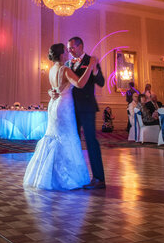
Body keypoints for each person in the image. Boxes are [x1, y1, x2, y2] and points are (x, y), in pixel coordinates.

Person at [23, 43, 96, 190]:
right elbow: (80, 83)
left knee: (54, 135)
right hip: (64, 107)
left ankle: (49, 176)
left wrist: (51, 92)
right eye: (65, 51)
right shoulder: (65, 69)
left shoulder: (51, 70)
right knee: (66, 137)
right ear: (62, 54)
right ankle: (65, 178)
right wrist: (91, 66)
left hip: (54, 104)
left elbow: (53, 88)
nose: (68, 53)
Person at [67, 36, 106, 189]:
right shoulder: (68, 63)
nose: (70, 50)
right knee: (73, 142)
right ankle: (76, 176)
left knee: (91, 142)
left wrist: (95, 69)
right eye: (68, 48)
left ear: (80, 46)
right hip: (70, 108)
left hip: (87, 108)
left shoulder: (91, 60)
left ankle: (99, 178)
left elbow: (101, 82)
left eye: (72, 47)